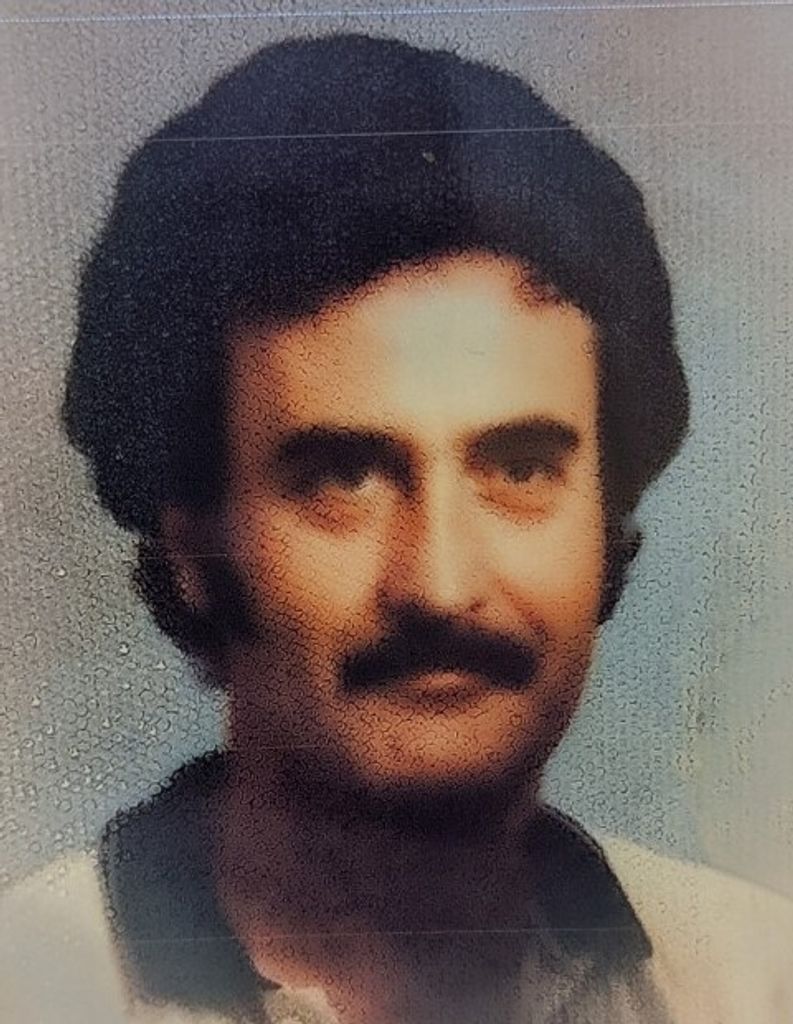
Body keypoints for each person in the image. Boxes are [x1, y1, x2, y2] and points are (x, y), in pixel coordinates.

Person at [1, 32, 791, 1024]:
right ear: (194, 547)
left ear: (605, 519)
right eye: (344, 477)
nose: (440, 583)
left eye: (519, 469)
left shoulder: (757, 985)